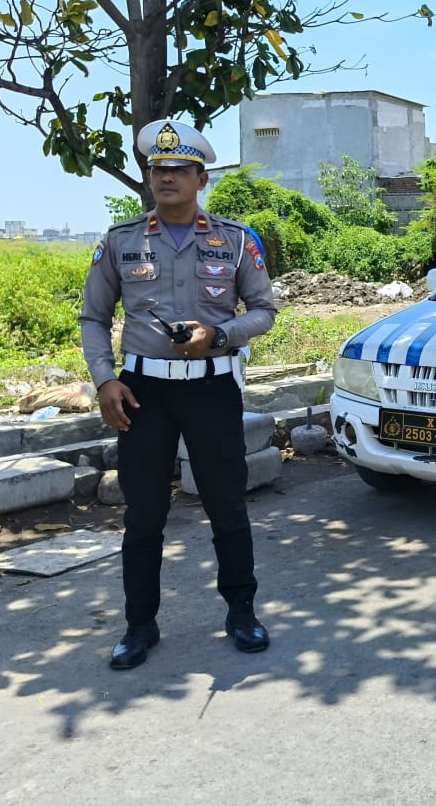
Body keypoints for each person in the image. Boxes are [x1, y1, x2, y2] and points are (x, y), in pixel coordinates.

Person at [80, 119, 278, 670]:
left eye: (178, 169)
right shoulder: (120, 242)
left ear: (200, 177)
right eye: (157, 169)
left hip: (212, 388)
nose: (166, 177)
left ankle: (242, 612)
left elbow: (264, 311)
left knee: (226, 507)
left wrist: (219, 335)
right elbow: (93, 318)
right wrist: (105, 380)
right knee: (144, 515)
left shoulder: (236, 240)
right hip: (141, 394)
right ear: (149, 177)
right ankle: (139, 625)